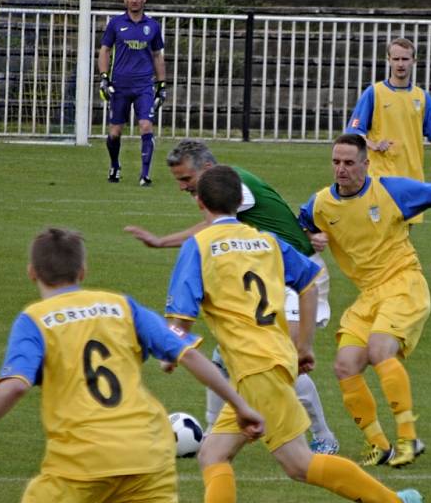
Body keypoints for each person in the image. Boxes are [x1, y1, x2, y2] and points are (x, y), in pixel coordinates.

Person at [0, 227, 265, 503]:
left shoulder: (35, 321)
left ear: (31, 272)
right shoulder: (121, 306)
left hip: (82, 461)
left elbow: (14, 386)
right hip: (148, 455)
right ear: (83, 272)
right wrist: (241, 406)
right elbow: (189, 355)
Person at [165, 166, 427, 503]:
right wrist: (303, 344)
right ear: (240, 202)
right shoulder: (265, 240)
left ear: (200, 202)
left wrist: (169, 349)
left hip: (255, 368)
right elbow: (308, 280)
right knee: (214, 452)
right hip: (273, 359)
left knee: (298, 464)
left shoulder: (198, 246)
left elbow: (180, 319)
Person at [299, 134, 431, 468]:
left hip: (404, 284)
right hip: (368, 296)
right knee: (345, 365)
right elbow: (295, 230)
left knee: (379, 349)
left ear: (365, 164)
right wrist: (308, 237)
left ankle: (408, 437)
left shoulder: (391, 191)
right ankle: (378, 445)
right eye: (336, 162)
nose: (340, 169)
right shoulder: (320, 204)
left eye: (348, 163)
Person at [124, 139, 339, 455]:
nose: (183, 187)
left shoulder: (235, 184)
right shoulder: (232, 189)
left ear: (208, 170)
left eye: (186, 179)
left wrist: (161, 241)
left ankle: (323, 437)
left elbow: (216, 225)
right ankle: (213, 434)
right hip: (268, 270)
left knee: (281, 361)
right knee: (229, 357)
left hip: (295, 276)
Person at [346, 37, 431, 186]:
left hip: (413, 179)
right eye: (396, 59)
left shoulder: (422, 97)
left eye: (405, 59)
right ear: (389, 60)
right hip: (381, 177)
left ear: (413, 61)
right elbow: (353, 133)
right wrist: (373, 145)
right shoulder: (374, 93)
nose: (400, 64)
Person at [98, 0, 166, 186]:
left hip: (144, 85)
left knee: (146, 126)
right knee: (115, 131)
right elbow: (105, 50)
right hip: (120, 84)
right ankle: (115, 165)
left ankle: (145, 175)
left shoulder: (152, 26)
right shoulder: (116, 24)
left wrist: (161, 85)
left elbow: (157, 55)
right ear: (124, 0)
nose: (134, 1)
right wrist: (104, 76)